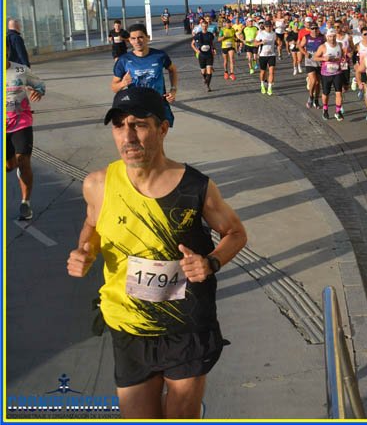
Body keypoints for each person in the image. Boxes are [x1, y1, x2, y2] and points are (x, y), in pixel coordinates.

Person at [66, 86, 248, 419]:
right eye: (119, 125)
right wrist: (84, 250)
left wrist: (211, 262)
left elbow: (235, 233)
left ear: (163, 128)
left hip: (186, 325)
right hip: (129, 325)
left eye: (139, 124)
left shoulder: (195, 187)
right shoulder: (98, 184)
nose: (128, 137)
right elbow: (92, 224)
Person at [111, 24, 177, 126]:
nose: (137, 41)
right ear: (129, 40)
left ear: (148, 38)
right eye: (133, 38)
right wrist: (123, 84)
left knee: (160, 133)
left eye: (140, 37)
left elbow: (172, 70)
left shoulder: (160, 56)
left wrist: (173, 90)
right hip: (137, 107)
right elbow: (114, 87)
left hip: (158, 104)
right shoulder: (124, 60)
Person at [6, 57, 46, 221]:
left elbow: (40, 84)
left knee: (23, 160)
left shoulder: (20, 70)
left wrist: (39, 91)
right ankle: (14, 165)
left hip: (21, 122)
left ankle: (25, 203)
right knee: (9, 165)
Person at [315, 28, 347, 120]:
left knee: (339, 93)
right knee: (326, 93)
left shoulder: (340, 45)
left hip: (337, 72)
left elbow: (342, 56)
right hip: (326, 74)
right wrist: (324, 59)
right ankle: (325, 109)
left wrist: (343, 59)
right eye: (330, 36)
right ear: (327, 37)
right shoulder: (323, 47)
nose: (332, 38)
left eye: (333, 36)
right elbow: (315, 57)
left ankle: (338, 111)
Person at [300, 21, 324, 108]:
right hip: (309, 61)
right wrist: (305, 53)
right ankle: (311, 97)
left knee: (318, 83)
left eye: (316, 28)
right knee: (313, 81)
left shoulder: (322, 37)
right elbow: (300, 46)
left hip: (319, 61)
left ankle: (316, 100)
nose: (314, 30)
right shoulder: (306, 37)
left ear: (318, 29)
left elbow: (326, 47)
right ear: (310, 29)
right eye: (312, 28)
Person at [191, 18, 217, 92]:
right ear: (201, 26)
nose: (204, 27)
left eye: (206, 26)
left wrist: (214, 49)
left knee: (209, 71)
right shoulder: (198, 35)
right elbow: (192, 44)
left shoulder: (210, 34)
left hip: (209, 55)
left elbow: (212, 43)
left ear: (207, 26)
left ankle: (208, 85)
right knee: (203, 71)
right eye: (203, 26)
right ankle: (205, 78)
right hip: (201, 55)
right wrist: (196, 51)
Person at [255, 20, 277, 95]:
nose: (268, 28)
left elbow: (276, 42)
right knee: (263, 72)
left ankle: (270, 88)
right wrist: (261, 42)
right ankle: (262, 84)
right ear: (264, 27)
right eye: (267, 26)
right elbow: (255, 43)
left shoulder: (274, 34)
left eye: (270, 26)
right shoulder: (261, 34)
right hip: (263, 55)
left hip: (272, 55)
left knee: (272, 71)